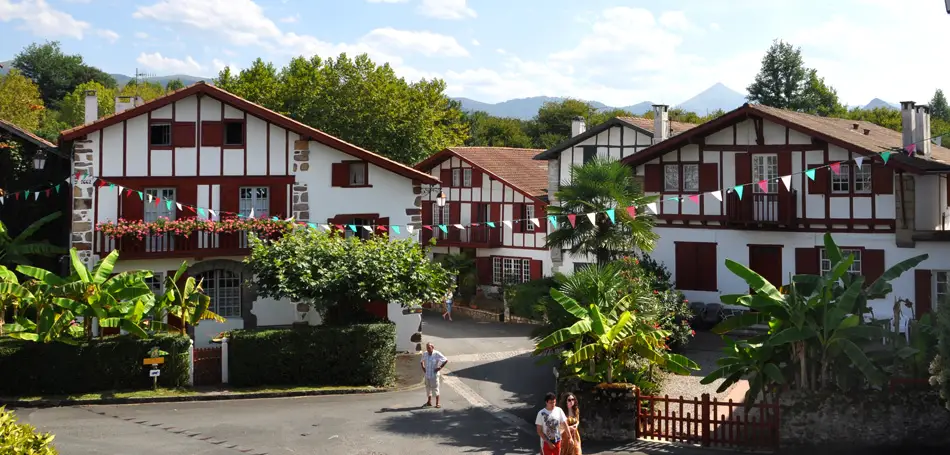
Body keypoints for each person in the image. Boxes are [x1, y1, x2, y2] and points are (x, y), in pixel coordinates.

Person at [421, 342, 448, 408]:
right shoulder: (425, 354)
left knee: (436, 388)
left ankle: (437, 403)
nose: (428, 349)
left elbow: (445, 360)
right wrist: (423, 367)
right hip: (427, 375)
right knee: (428, 388)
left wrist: (440, 367)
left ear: (432, 348)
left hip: (434, 375)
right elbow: (421, 361)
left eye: (429, 348)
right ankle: (429, 402)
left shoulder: (436, 354)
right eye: (427, 348)